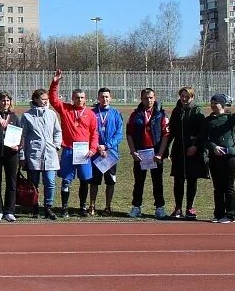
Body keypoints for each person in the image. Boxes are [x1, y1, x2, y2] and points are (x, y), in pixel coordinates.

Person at [48, 69, 99, 217]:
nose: (80, 100)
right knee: (66, 180)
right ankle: (65, 208)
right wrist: (55, 82)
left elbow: (94, 134)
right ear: (72, 98)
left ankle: (82, 207)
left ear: (86, 99)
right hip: (69, 150)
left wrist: (93, 149)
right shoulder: (66, 109)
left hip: (84, 152)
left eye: (82, 98)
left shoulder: (90, 114)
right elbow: (53, 99)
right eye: (77, 97)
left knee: (84, 180)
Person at [204, 84, 235, 223]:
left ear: (223, 104)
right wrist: (213, 147)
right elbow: (204, 139)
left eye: (216, 103)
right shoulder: (207, 121)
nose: (213, 105)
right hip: (214, 157)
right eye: (211, 103)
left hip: (229, 157)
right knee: (217, 188)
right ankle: (218, 214)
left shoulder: (230, 119)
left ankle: (230, 215)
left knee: (228, 186)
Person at [126, 88, 170, 219]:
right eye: (145, 98)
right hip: (140, 154)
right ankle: (136, 207)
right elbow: (129, 134)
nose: (148, 100)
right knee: (139, 182)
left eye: (150, 97)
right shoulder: (135, 115)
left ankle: (159, 208)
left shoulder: (161, 115)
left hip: (155, 155)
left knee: (158, 182)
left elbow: (166, 135)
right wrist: (133, 152)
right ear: (141, 99)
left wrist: (160, 153)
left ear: (154, 98)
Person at [19, 89, 61, 220]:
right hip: (34, 155)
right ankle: (35, 206)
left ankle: (48, 207)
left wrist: (56, 145)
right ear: (35, 99)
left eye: (46, 99)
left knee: (50, 181)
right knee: (34, 183)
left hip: (50, 154)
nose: (45, 101)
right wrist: (22, 155)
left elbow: (57, 131)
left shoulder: (52, 114)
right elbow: (21, 137)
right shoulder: (27, 116)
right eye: (43, 99)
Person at [167, 86, 207, 220]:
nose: (184, 99)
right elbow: (171, 131)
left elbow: (203, 133)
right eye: (182, 96)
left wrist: (195, 146)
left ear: (192, 97)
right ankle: (178, 207)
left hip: (192, 151)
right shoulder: (176, 111)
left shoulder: (197, 111)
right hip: (178, 149)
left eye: (187, 97)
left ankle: (190, 207)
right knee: (178, 179)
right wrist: (166, 148)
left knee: (191, 179)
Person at [89, 88, 125, 217]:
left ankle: (108, 206)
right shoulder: (92, 113)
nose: (104, 99)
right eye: (102, 96)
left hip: (110, 154)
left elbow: (119, 134)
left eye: (107, 97)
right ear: (98, 98)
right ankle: (92, 206)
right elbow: (89, 132)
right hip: (95, 153)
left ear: (111, 98)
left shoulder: (116, 113)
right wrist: (98, 147)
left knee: (110, 181)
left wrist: (107, 146)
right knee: (94, 182)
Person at [0, 91, 20, 222]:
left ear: (10, 102)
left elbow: (20, 135)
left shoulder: (15, 118)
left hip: (11, 155)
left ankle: (9, 210)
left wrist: (19, 146)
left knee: (11, 183)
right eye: (2, 100)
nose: (5, 103)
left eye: (7, 100)